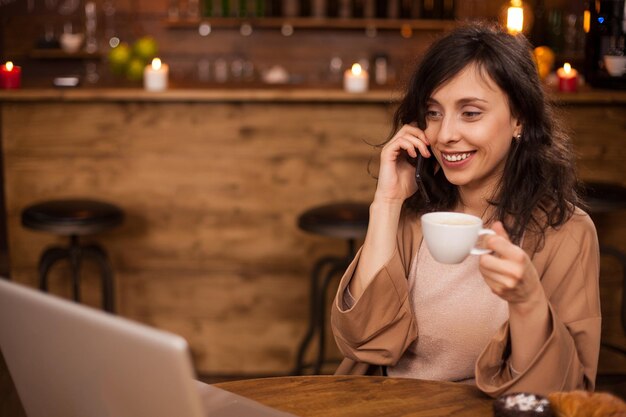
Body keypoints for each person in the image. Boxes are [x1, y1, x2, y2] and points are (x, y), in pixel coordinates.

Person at [330, 22, 601, 398]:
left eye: (470, 113)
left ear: (519, 118)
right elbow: (363, 341)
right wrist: (387, 202)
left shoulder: (567, 232)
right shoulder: (413, 216)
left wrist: (527, 300)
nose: (444, 135)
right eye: (434, 113)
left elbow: (566, 391)